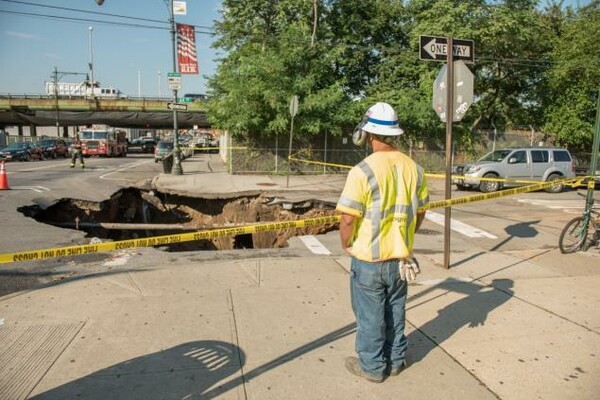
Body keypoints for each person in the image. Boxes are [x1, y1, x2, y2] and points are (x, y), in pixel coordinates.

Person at [336, 102, 429, 383]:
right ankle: (396, 360)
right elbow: (421, 211)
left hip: (369, 261)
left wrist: (346, 244)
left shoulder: (362, 171)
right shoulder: (415, 169)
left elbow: (348, 219)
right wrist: (406, 237)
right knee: (396, 311)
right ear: (395, 134)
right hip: (400, 259)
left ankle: (373, 367)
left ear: (367, 134)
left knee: (370, 316)